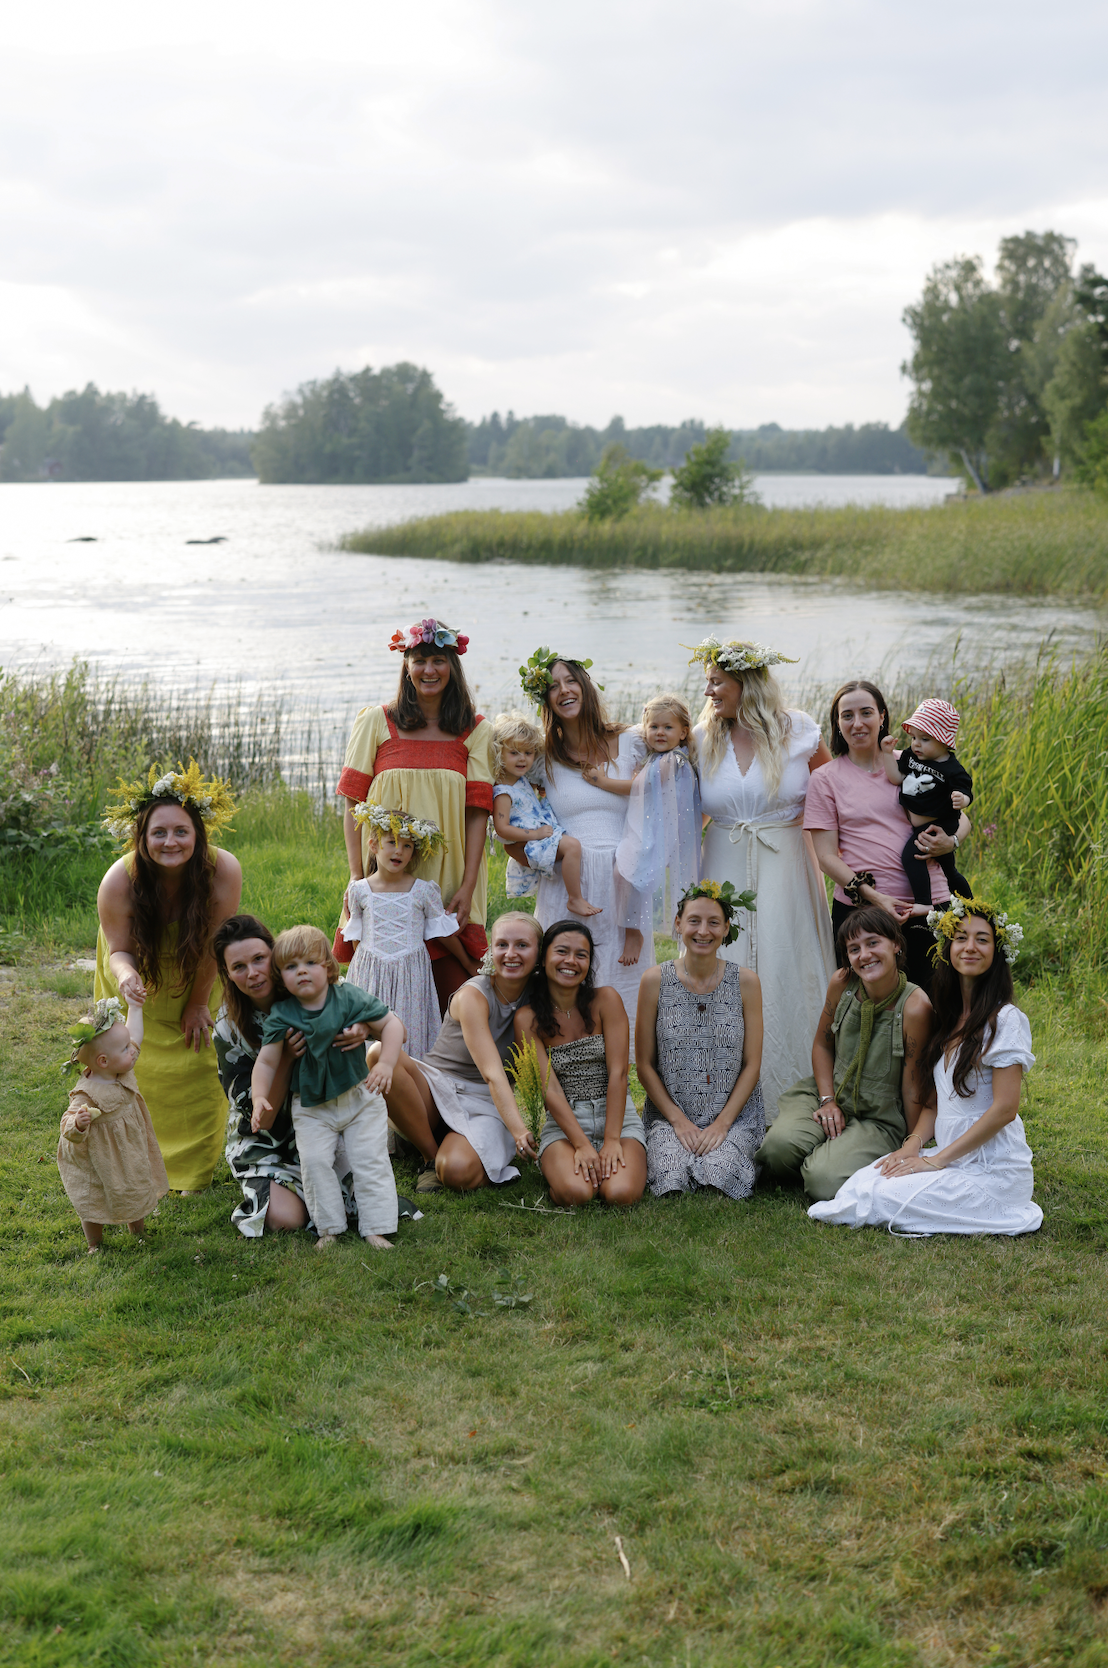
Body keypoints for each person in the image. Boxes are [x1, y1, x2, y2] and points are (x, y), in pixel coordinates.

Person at [809, 899, 1040, 1235]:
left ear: (997, 951)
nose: (970, 947)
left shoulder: (1005, 1020)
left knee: (877, 1197)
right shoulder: (948, 1018)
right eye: (960, 938)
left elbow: (1005, 1109)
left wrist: (936, 1160)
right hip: (950, 1157)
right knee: (867, 1180)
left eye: (982, 939)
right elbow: (936, 1102)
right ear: (947, 949)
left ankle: (991, 1204)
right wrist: (912, 1145)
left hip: (990, 1170)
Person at [690, 635, 836, 1122]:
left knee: (785, 965)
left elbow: (839, 793)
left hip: (787, 864)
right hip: (723, 863)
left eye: (717, 681)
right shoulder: (700, 738)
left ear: (746, 683)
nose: (708, 691)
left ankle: (795, 1099)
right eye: (707, 681)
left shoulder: (800, 730)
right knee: (722, 964)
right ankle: (714, 1099)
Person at [96, 761, 242, 1191]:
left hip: (196, 967)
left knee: (196, 1060)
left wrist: (198, 1002)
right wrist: (126, 978)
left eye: (181, 831)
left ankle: (190, 1172)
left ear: (198, 835)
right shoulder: (119, 881)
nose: (170, 841)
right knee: (132, 1064)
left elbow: (214, 946)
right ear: (141, 838)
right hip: (135, 973)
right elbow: (119, 949)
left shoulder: (223, 871)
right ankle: (131, 1160)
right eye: (158, 833)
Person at [337, 618, 492, 1010]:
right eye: (420, 660)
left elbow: (478, 813)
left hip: (449, 876)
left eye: (438, 660)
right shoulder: (376, 721)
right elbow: (353, 804)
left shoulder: (474, 729)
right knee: (378, 998)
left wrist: (468, 884)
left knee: (458, 998)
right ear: (406, 664)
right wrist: (358, 879)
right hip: (383, 878)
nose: (429, 670)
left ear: (452, 665)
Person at [755, 907, 933, 1203]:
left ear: (896, 944)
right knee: (776, 1150)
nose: (864, 955)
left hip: (878, 1118)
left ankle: (828, 1157)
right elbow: (823, 1045)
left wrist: (911, 1144)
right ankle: (823, 1148)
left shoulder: (915, 1007)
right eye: (854, 949)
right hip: (830, 1093)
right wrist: (827, 1101)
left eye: (873, 943)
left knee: (822, 1181)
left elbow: (914, 1083)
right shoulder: (843, 983)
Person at [518, 650, 653, 1033]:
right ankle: (567, 1062)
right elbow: (513, 806)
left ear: (586, 686)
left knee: (626, 974)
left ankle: (626, 1069)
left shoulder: (633, 742)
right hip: (568, 880)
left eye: (571, 681)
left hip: (622, 874)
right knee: (567, 972)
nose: (564, 691)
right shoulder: (543, 759)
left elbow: (679, 777)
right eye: (553, 687)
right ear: (545, 700)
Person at [805, 681, 970, 992]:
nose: (857, 723)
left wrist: (951, 842)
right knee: (864, 1007)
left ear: (882, 717)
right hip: (862, 913)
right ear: (837, 725)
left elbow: (961, 818)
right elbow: (826, 857)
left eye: (866, 712)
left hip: (929, 904)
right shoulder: (825, 779)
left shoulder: (913, 761)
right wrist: (876, 898)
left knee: (934, 1003)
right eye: (847, 715)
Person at [214, 914, 372, 1236]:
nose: (253, 973)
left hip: (322, 1119)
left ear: (275, 955)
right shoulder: (228, 1029)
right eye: (239, 967)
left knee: (362, 1202)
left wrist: (362, 1028)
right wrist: (285, 1058)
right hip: (265, 1138)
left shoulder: (308, 985)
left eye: (259, 959)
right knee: (289, 1219)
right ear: (227, 974)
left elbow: (365, 1007)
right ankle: (270, 1187)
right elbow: (264, 1121)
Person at [252, 926, 405, 1250]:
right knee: (316, 1162)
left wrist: (385, 1064)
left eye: (310, 962)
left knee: (369, 1158)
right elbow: (266, 1062)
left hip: (358, 1098)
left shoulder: (347, 996)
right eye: (291, 966)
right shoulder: (283, 1014)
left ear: (329, 967)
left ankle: (376, 1227)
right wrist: (259, 1097)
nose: (302, 970)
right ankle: (329, 1228)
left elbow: (391, 1024)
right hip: (311, 1108)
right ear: (281, 976)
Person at [382, 912, 544, 1193]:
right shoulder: (473, 995)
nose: (510, 954)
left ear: (539, 953)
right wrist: (519, 1131)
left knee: (456, 1171)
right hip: (437, 1088)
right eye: (502, 945)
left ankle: (459, 1154)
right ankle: (429, 1156)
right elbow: (492, 1072)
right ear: (489, 951)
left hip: (486, 1103)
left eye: (522, 945)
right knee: (378, 1055)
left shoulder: (539, 999)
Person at [635, 880, 764, 1201]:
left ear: (726, 929)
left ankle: (733, 1148)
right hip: (671, 1114)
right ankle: (670, 1144)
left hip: (733, 1115)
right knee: (671, 1177)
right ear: (678, 924)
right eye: (694, 920)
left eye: (713, 922)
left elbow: (752, 1065)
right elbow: (644, 1065)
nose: (702, 931)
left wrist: (722, 1124)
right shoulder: (654, 980)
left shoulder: (746, 982)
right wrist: (678, 1122)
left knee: (719, 1176)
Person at [514, 919, 646, 1206]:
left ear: (589, 963)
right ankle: (565, 1177)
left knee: (621, 1194)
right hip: (565, 1124)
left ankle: (607, 1166)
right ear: (544, 958)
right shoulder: (527, 1018)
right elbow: (550, 1090)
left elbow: (619, 1074)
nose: (570, 961)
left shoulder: (606, 1000)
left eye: (581, 955)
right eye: (561, 951)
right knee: (577, 1194)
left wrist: (612, 1140)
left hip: (617, 1118)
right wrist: (582, 1145)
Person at [343, 805, 459, 1058]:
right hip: (370, 971)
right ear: (373, 845)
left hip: (411, 974)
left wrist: (469, 962)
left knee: (409, 1035)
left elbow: (444, 934)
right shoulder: (359, 890)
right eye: (392, 842)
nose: (399, 850)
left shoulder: (423, 891)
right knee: (368, 1035)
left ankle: (409, 1083)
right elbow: (356, 939)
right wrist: (364, 970)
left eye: (407, 846)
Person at [57, 996, 168, 1253]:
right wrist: (79, 1122)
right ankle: (94, 1242)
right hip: (100, 1156)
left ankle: (137, 1229)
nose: (132, 1050)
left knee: (134, 1184)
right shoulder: (86, 1092)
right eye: (125, 1049)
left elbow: (135, 1036)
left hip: (129, 1148)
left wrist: (136, 1007)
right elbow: (67, 1122)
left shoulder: (122, 1069)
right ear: (103, 1061)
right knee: (93, 1195)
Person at [587, 692, 702, 938]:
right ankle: (627, 926)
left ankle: (633, 930)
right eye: (654, 726)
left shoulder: (670, 761)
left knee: (626, 873)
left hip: (655, 833)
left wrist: (600, 781)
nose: (660, 732)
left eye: (668, 727)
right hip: (654, 829)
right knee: (626, 873)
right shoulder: (660, 758)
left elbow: (638, 788)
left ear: (683, 732)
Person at [490, 710, 600, 917]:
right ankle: (574, 899)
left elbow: (523, 798)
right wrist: (536, 835)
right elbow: (501, 828)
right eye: (514, 753)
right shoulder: (503, 793)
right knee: (573, 846)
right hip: (532, 841)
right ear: (499, 754)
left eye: (528, 753)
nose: (523, 759)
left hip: (536, 835)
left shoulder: (518, 779)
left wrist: (536, 790)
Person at [880, 697, 974, 906]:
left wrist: (963, 799)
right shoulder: (910, 757)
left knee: (911, 856)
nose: (916, 744)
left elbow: (965, 789)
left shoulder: (952, 768)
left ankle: (925, 902)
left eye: (925, 739)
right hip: (922, 825)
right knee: (948, 869)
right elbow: (896, 778)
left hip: (941, 824)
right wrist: (887, 754)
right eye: (914, 737)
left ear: (944, 741)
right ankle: (968, 905)